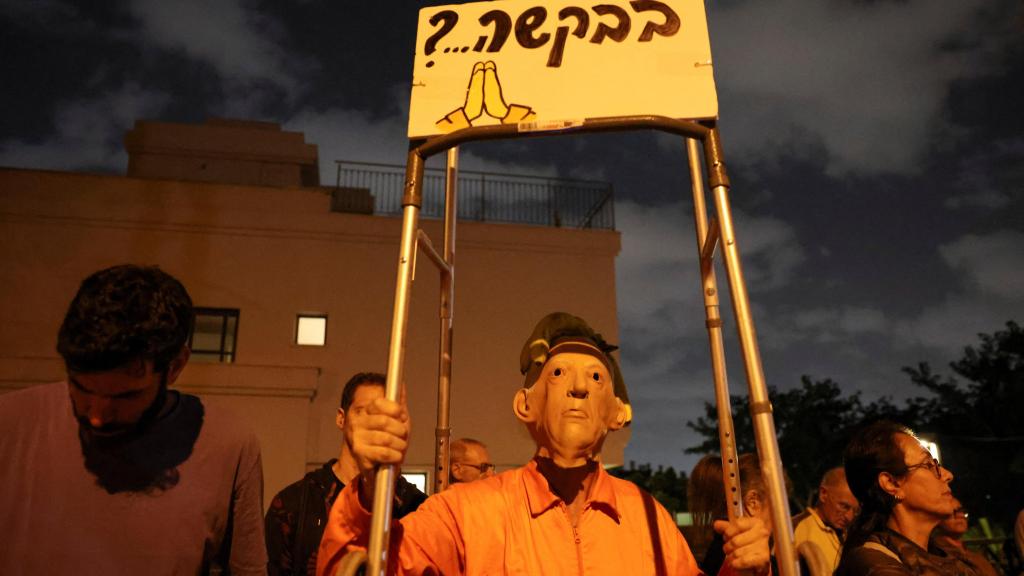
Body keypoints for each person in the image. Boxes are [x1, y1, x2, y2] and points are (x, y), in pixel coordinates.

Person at [316, 311, 771, 575]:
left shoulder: (647, 518)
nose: (578, 388)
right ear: (525, 405)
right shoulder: (464, 513)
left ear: (617, 413)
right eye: (558, 375)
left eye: (596, 378)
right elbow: (361, 567)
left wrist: (744, 570)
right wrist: (369, 491)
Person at [0, 264, 266, 575]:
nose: (97, 416)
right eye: (81, 387)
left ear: (176, 366)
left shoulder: (230, 446)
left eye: (125, 397)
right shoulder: (9, 423)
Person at [265, 372, 427, 576]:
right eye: (362, 411)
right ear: (341, 418)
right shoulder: (295, 502)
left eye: (383, 415)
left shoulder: (416, 507)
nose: (373, 423)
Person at [835, 420, 979, 576]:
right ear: (891, 483)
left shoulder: (947, 557)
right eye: (929, 465)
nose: (947, 475)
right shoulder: (873, 564)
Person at [690, 453, 781, 576]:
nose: (782, 519)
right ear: (753, 503)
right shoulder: (734, 556)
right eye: (777, 507)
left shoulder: (719, 549)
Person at [793, 467, 860, 576]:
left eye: (855, 511)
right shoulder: (795, 529)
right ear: (823, 494)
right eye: (844, 506)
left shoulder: (850, 536)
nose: (850, 517)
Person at [932, 498, 999, 576]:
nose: (961, 516)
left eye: (962, 511)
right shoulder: (937, 554)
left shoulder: (971, 552)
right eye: (953, 512)